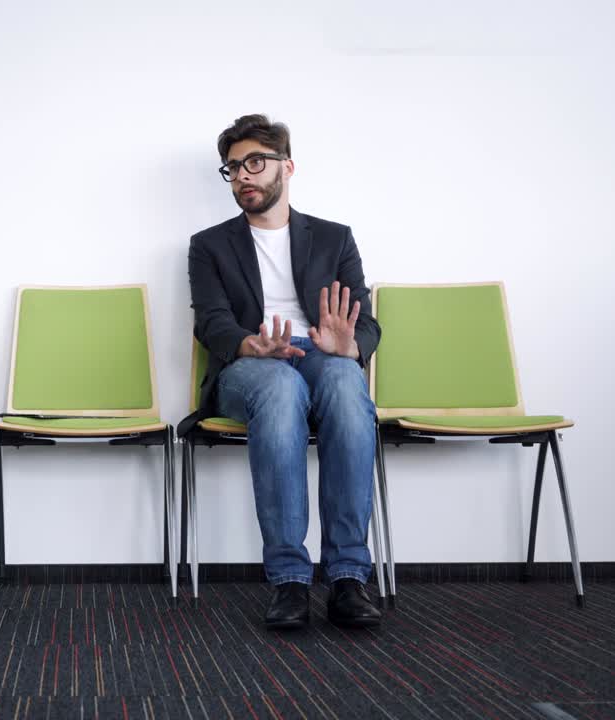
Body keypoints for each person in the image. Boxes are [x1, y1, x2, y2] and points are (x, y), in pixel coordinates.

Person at [180, 114, 383, 629]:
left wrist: (349, 346)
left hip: (318, 349)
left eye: (254, 163)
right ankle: (290, 580)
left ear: (286, 167)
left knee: (343, 380)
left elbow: (366, 320)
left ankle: (347, 578)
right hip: (249, 364)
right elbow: (212, 322)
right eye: (232, 168)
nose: (243, 175)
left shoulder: (335, 238)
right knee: (278, 385)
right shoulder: (209, 245)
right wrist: (250, 344)